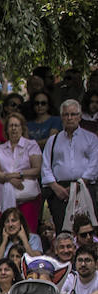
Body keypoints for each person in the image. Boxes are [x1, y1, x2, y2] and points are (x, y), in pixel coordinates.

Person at [40, 100, 98, 234]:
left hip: (84, 188)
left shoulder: (91, 139)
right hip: (60, 192)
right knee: (62, 230)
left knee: (86, 230)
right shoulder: (53, 140)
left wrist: (78, 185)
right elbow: (46, 166)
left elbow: (94, 166)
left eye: (73, 114)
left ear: (80, 116)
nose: (70, 118)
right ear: (61, 117)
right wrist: (55, 187)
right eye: (66, 115)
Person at [0, 112, 44, 230]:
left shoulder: (31, 145)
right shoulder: (0, 149)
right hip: (3, 196)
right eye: (11, 126)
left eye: (17, 125)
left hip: (27, 196)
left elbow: (37, 170)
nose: (14, 128)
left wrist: (19, 174)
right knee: (7, 230)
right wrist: (10, 178)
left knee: (28, 230)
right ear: (6, 129)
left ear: (22, 128)